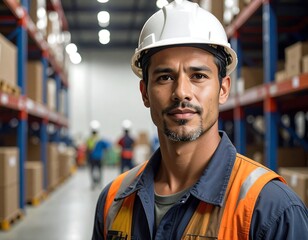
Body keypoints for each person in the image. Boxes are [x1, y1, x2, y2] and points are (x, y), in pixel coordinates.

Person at [92, 1, 308, 239]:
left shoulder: (270, 209)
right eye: (165, 77)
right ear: (145, 93)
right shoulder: (114, 199)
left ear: (223, 89)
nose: (181, 92)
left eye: (198, 76)